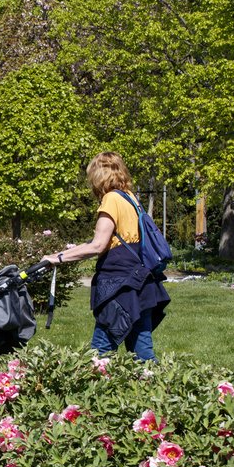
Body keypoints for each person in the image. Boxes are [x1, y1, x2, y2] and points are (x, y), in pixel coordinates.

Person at [42, 152, 169, 361]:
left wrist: (58, 259)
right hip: (140, 282)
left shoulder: (110, 199)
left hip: (120, 287)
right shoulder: (129, 197)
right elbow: (112, 241)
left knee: (101, 353)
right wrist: (59, 255)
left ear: (98, 175)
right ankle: (156, 389)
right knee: (143, 352)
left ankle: (94, 391)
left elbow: (98, 245)